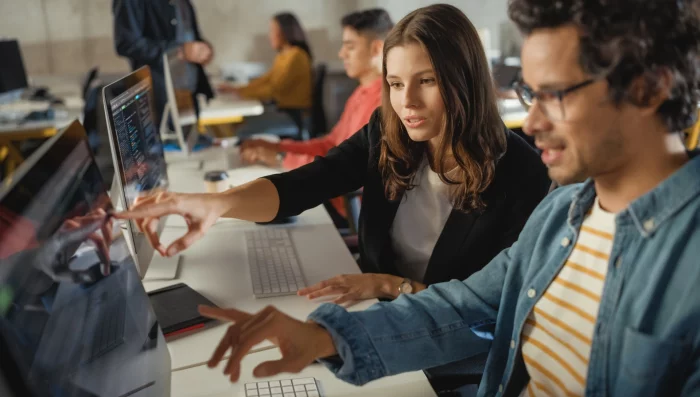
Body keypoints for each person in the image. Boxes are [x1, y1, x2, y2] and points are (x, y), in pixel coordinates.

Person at [184, 0, 699, 396]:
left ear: (650, 89)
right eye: (530, 94)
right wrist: (323, 338)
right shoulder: (565, 213)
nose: (535, 122)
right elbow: (468, 305)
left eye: (555, 96)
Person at [117, 3, 549, 306]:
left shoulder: (521, 173)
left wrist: (390, 287)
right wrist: (216, 205)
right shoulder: (389, 132)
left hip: (438, 344)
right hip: (376, 310)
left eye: (428, 81)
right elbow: (309, 182)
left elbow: (496, 308)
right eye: (396, 84)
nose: (407, 102)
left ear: (465, 79)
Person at [240, 8, 393, 221]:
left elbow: (346, 170)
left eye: (349, 46)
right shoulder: (360, 92)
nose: (341, 54)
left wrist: (280, 157)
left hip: (347, 207)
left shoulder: (382, 104)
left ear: (376, 48)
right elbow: (330, 145)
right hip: (332, 194)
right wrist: (277, 147)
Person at [112, 0, 215, 124]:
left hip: (188, 96)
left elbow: (188, 35)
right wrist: (179, 50)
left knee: (189, 139)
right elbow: (126, 44)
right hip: (159, 99)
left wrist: (203, 50)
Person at [220, 13, 313, 140]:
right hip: (283, 111)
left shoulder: (296, 56)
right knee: (238, 123)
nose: (270, 35)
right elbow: (265, 80)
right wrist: (238, 89)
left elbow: (274, 89)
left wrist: (242, 92)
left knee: (240, 127)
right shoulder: (282, 56)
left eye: (272, 30)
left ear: (285, 32)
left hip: (293, 116)